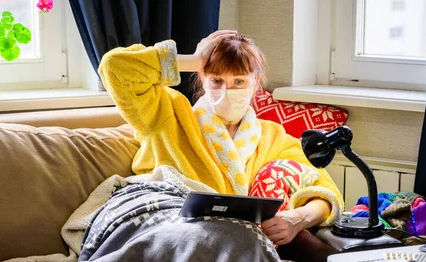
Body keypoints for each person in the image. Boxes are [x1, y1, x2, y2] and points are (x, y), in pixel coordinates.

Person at [98, 30, 343, 246]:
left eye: (239, 81)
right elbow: (114, 67)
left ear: (255, 84)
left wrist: (296, 219)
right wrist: (193, 60)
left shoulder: (273, 137)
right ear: (202, 78)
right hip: (166, 223)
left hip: (226, 241)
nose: (227, 91)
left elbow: (325, 190)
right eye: (216, 80)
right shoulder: (167, 114)